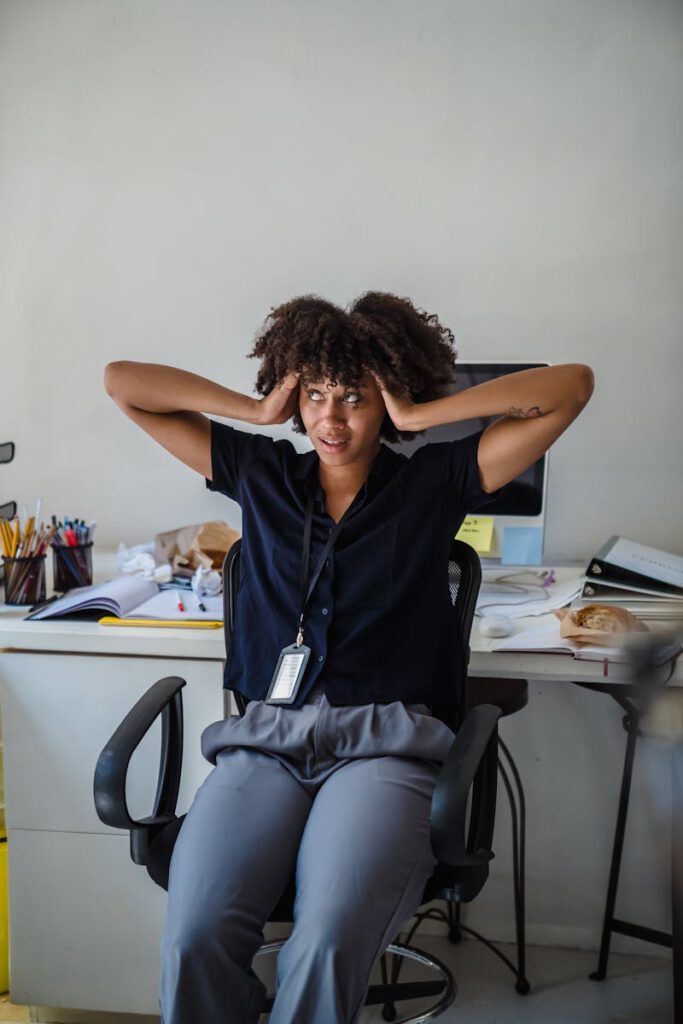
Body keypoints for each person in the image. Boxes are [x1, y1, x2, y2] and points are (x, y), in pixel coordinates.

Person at [104, 291, 594, 1024]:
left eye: (355, 399)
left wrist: (420, 416)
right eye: (317, 396)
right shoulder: (258, 471)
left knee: (325, 940)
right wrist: (260, 408)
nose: (331, 420)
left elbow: (572, 385)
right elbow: (122, 382)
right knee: (195, 936)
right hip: (266, 746)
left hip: (382, 749)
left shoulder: (436, 480)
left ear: (387, 400)